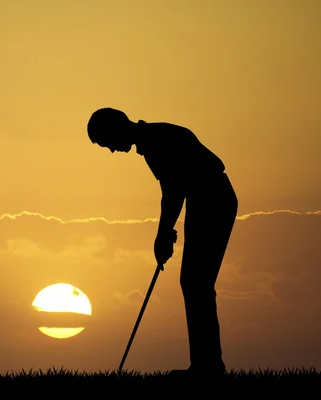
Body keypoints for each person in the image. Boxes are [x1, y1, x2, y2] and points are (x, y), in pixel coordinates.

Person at [86, 107, 238, 379]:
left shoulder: (157, 140)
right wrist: (165, 233)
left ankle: (209, 367)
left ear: (117, 128)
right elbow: (174, 191)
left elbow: (173, 191)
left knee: (196, 283)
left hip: (213, 199)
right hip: (204, 200)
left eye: (106, 142)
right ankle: (206, 365)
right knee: (194, 283)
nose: (110, 150)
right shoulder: (150, 142)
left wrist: (163, 233)